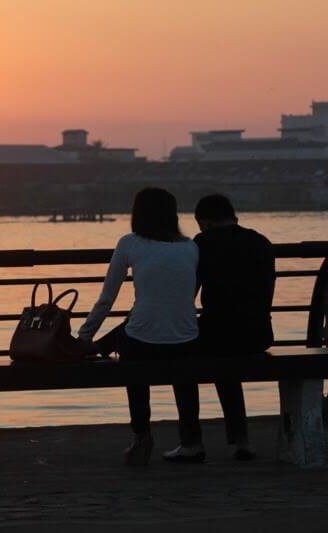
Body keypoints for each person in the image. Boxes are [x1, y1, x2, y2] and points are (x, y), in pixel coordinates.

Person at [78, 187, 201, 466]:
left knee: (134, 364)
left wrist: (84, 334)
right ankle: (193, 441)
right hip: (187, 339)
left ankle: (141, 436)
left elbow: (106, 298)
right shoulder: (191, 246)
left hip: (141, 342)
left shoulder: (130, 243)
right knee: (184, 378)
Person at [165, 194, 275, 462]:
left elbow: (187, 295)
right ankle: (242, 441)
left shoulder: (203, 243)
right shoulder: (261, 242)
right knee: (227, 365)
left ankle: (191, 442)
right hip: (258, 335)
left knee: (181, 359)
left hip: (217, 333)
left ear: (205, 222)